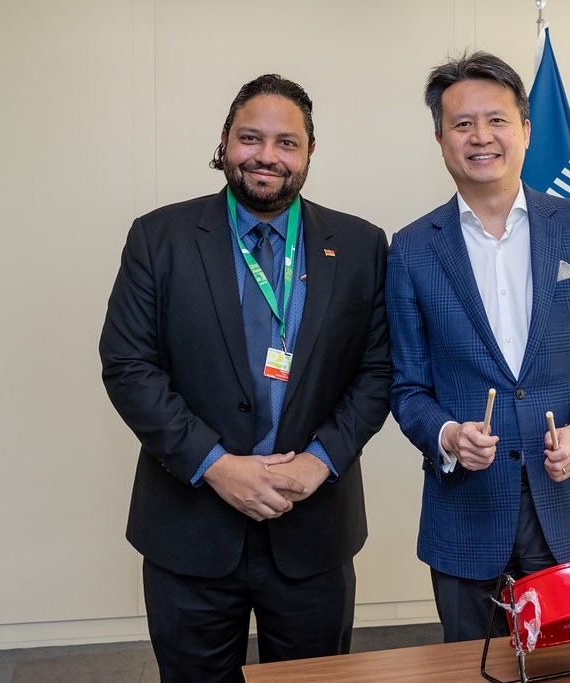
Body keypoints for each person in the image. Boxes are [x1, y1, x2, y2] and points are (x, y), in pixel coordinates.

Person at [100, 74, 391, 681]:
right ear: (225, 143)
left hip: (313, 526)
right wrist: (216, 465)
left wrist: (319, 461)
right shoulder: (159, 238)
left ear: (310, 152)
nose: (266, 155)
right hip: (190, 524)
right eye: (250, 138)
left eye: (287, 142)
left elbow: (378, 371)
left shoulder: (362, 246)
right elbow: (129, 366)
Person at [386, 52, 570, 643]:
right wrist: (447, 435)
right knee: (471, 670)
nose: (481, 137)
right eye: (462, 124)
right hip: (466, 515)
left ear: (526, 130)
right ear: (440, 138)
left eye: (497, 120)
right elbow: (406, 386)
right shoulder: (410, 250)